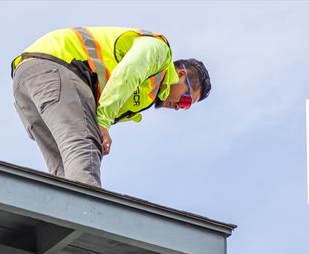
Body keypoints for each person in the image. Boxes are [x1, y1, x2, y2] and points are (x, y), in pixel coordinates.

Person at [11, 27, 210, 186]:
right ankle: (87, 217)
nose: (178, 107)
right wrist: (103, 120)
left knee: (63, 169)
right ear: (182, 75)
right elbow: (129, 72)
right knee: (83, 145)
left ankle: (64, 218)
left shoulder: (148, 92)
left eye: (185, 107)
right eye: (185, 100)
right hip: (57, 66)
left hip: (27, 79)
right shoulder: (159, 51)